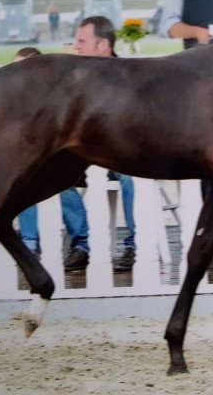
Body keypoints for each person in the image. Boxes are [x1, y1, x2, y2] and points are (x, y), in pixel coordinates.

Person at [11, 47, 92, 271]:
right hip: (32, 162)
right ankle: (29, 243)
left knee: (65, 185)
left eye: (20, 68)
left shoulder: (55, 97)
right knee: (23, 179)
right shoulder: (14, 99)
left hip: (63, 162)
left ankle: (81, 244)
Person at [74, 16, 138, 271]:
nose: (76, 47)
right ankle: (80, 244)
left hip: (120, 154)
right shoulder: (74, 78)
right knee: (55, 181)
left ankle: (135, 243)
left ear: (103, 45)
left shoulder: (129, 74)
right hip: (82, 154)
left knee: (130, 179)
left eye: (81, 41)